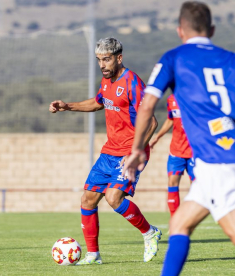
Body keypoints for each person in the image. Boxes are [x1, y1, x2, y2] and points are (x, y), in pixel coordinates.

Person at [123, 2, 235, 275]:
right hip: (225, 155)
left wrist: (136, 148)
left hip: (217, 159)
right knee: (179, 224)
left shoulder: (174, 58)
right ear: (212, 29)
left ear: (180, 31)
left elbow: (146, 105)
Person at [49, 37, 161, 265]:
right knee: (88, 200)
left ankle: (150, 232)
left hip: (130, 152)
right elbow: (99, 102)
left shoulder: (133, 83)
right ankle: (93, 255)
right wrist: (67, 106)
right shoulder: (106, 80)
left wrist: (136, 151)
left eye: (107, 59)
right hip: (109, 151)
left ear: (119, 58)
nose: (102, 65)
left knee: (113, 197)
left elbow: (151, 123)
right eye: (99, 60)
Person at [149, 94, 194, 216]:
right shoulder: (171, 99)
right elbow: (170, 119)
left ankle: (193, 216)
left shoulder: (198, 95)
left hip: (195, 150)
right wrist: (157, 137)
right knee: (172, 182)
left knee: (196, 186)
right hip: (176, 150)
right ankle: (175, 219)